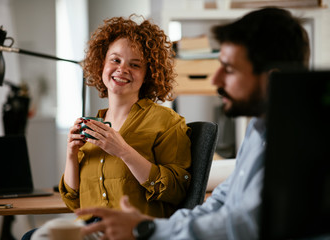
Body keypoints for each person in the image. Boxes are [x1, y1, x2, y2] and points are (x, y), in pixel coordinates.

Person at [75, 7, 311, 240]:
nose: (215, 79)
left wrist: (147, 230)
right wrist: (148, 227)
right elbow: (220, 201)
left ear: (272, 78)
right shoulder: (258, 130)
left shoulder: (299, 142)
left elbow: (243, 226)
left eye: (228, 69)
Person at [59, 14, 192, 219]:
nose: (122, 69)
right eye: (115, 60)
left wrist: (123, 151)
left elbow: (176, 191)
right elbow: (74, 201)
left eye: (135, 65)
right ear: (101, 63)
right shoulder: (91, 126)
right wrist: (71, 154)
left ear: (149, 74)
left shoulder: (167, 122)